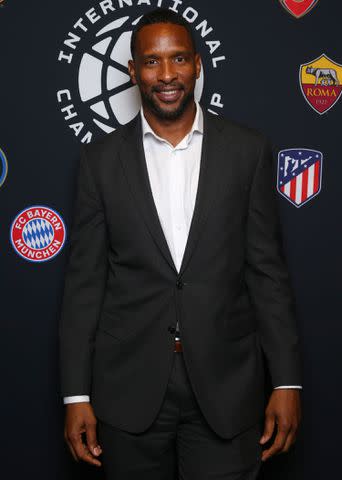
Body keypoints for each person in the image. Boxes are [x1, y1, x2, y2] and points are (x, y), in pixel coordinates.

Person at [59, 8, 302, 480]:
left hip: (228, 388)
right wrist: (76, 395)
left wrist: (287, 380)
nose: (166, 75)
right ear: (131, 71)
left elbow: (268, 275)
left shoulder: (247, 152)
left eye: (178, 60)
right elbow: (84, 285)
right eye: (151, 62)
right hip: (127, 391)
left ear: (197, 65)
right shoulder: (99, 162)